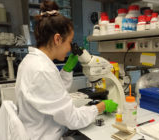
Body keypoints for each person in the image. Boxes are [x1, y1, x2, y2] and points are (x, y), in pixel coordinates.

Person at [15, 0, 118, 139]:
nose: (70, 48)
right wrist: (101, 107)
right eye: (70, 42)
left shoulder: (31, 61)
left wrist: (67, 69)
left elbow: (53, 92)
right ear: (57, 39)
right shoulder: (42, 70)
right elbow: (73, 119)